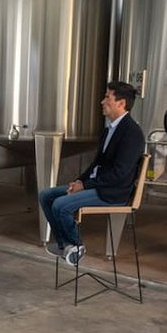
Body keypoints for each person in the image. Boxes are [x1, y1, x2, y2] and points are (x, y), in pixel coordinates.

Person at [39, 81, 146, 266]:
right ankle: (66, 245)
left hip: (113, 192)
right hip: (98, 184)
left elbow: (119, 173)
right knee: (45, 195)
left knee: (61, 205)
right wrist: (79, 181)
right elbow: (97, 164)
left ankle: (77, 245)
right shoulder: (109, 130)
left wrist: (85, 185)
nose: (102, 102)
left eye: (107, 97)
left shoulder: (132, 133)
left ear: (121, 103)